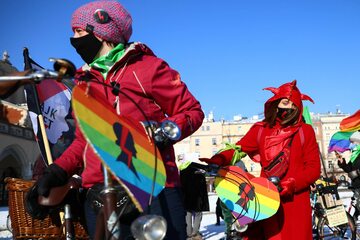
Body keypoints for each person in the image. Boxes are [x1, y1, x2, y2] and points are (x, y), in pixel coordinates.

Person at [33, 1, 204, 239]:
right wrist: (57, 171)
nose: (73, 39)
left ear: (101, 32)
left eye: (79, 31)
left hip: (152, 185)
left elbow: (192, 111)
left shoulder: (148, 68)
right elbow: (84, 141)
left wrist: (162, 132)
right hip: (101, 192)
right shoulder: (83, 84)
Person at [200, 80, 321, 239]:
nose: (288, 107)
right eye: (284, 102)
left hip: (296, 201)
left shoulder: (305, 131)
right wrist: (219, 158)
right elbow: (239, 149)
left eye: (293, 104)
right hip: (266, 199)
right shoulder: (261, 130)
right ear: (275, 104)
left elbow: (313, 169)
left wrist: (293, 183)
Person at [179, 161, 209, 240]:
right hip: (197, 199)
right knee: (198, 215)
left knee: (188, 215)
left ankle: (188, 233)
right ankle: (195, 233)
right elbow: (203, 190)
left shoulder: (182, 173)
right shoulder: (199, 174)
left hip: (186, 199)